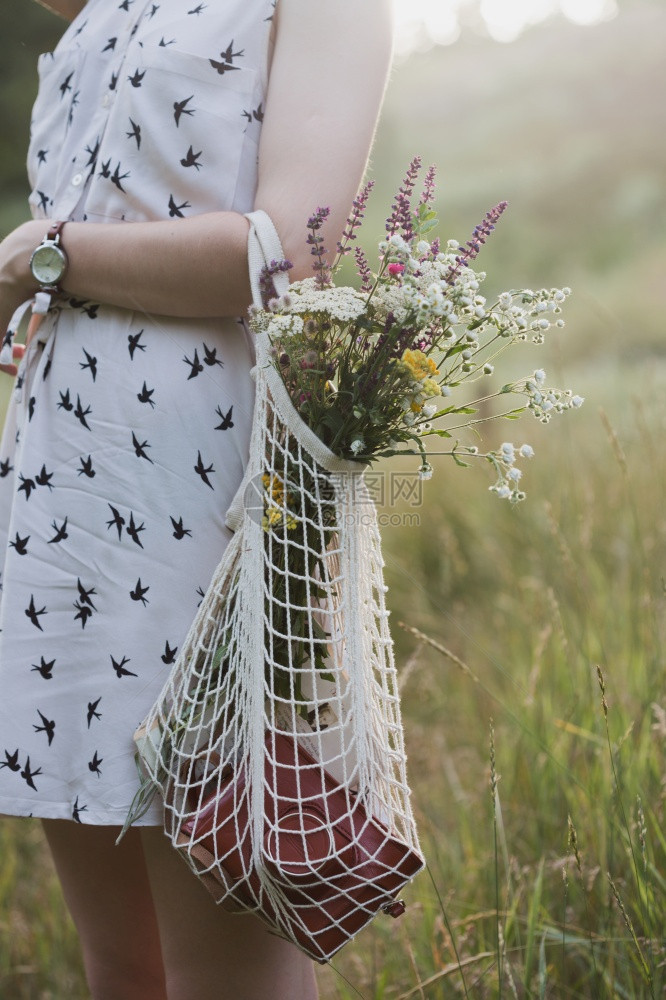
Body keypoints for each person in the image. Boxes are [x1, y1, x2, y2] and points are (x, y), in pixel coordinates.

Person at [0, 1, 393, 996]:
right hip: (58, 503)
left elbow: (284, 250)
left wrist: (47, 253)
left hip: (202, 508)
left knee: (226, 971)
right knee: (121, 966)